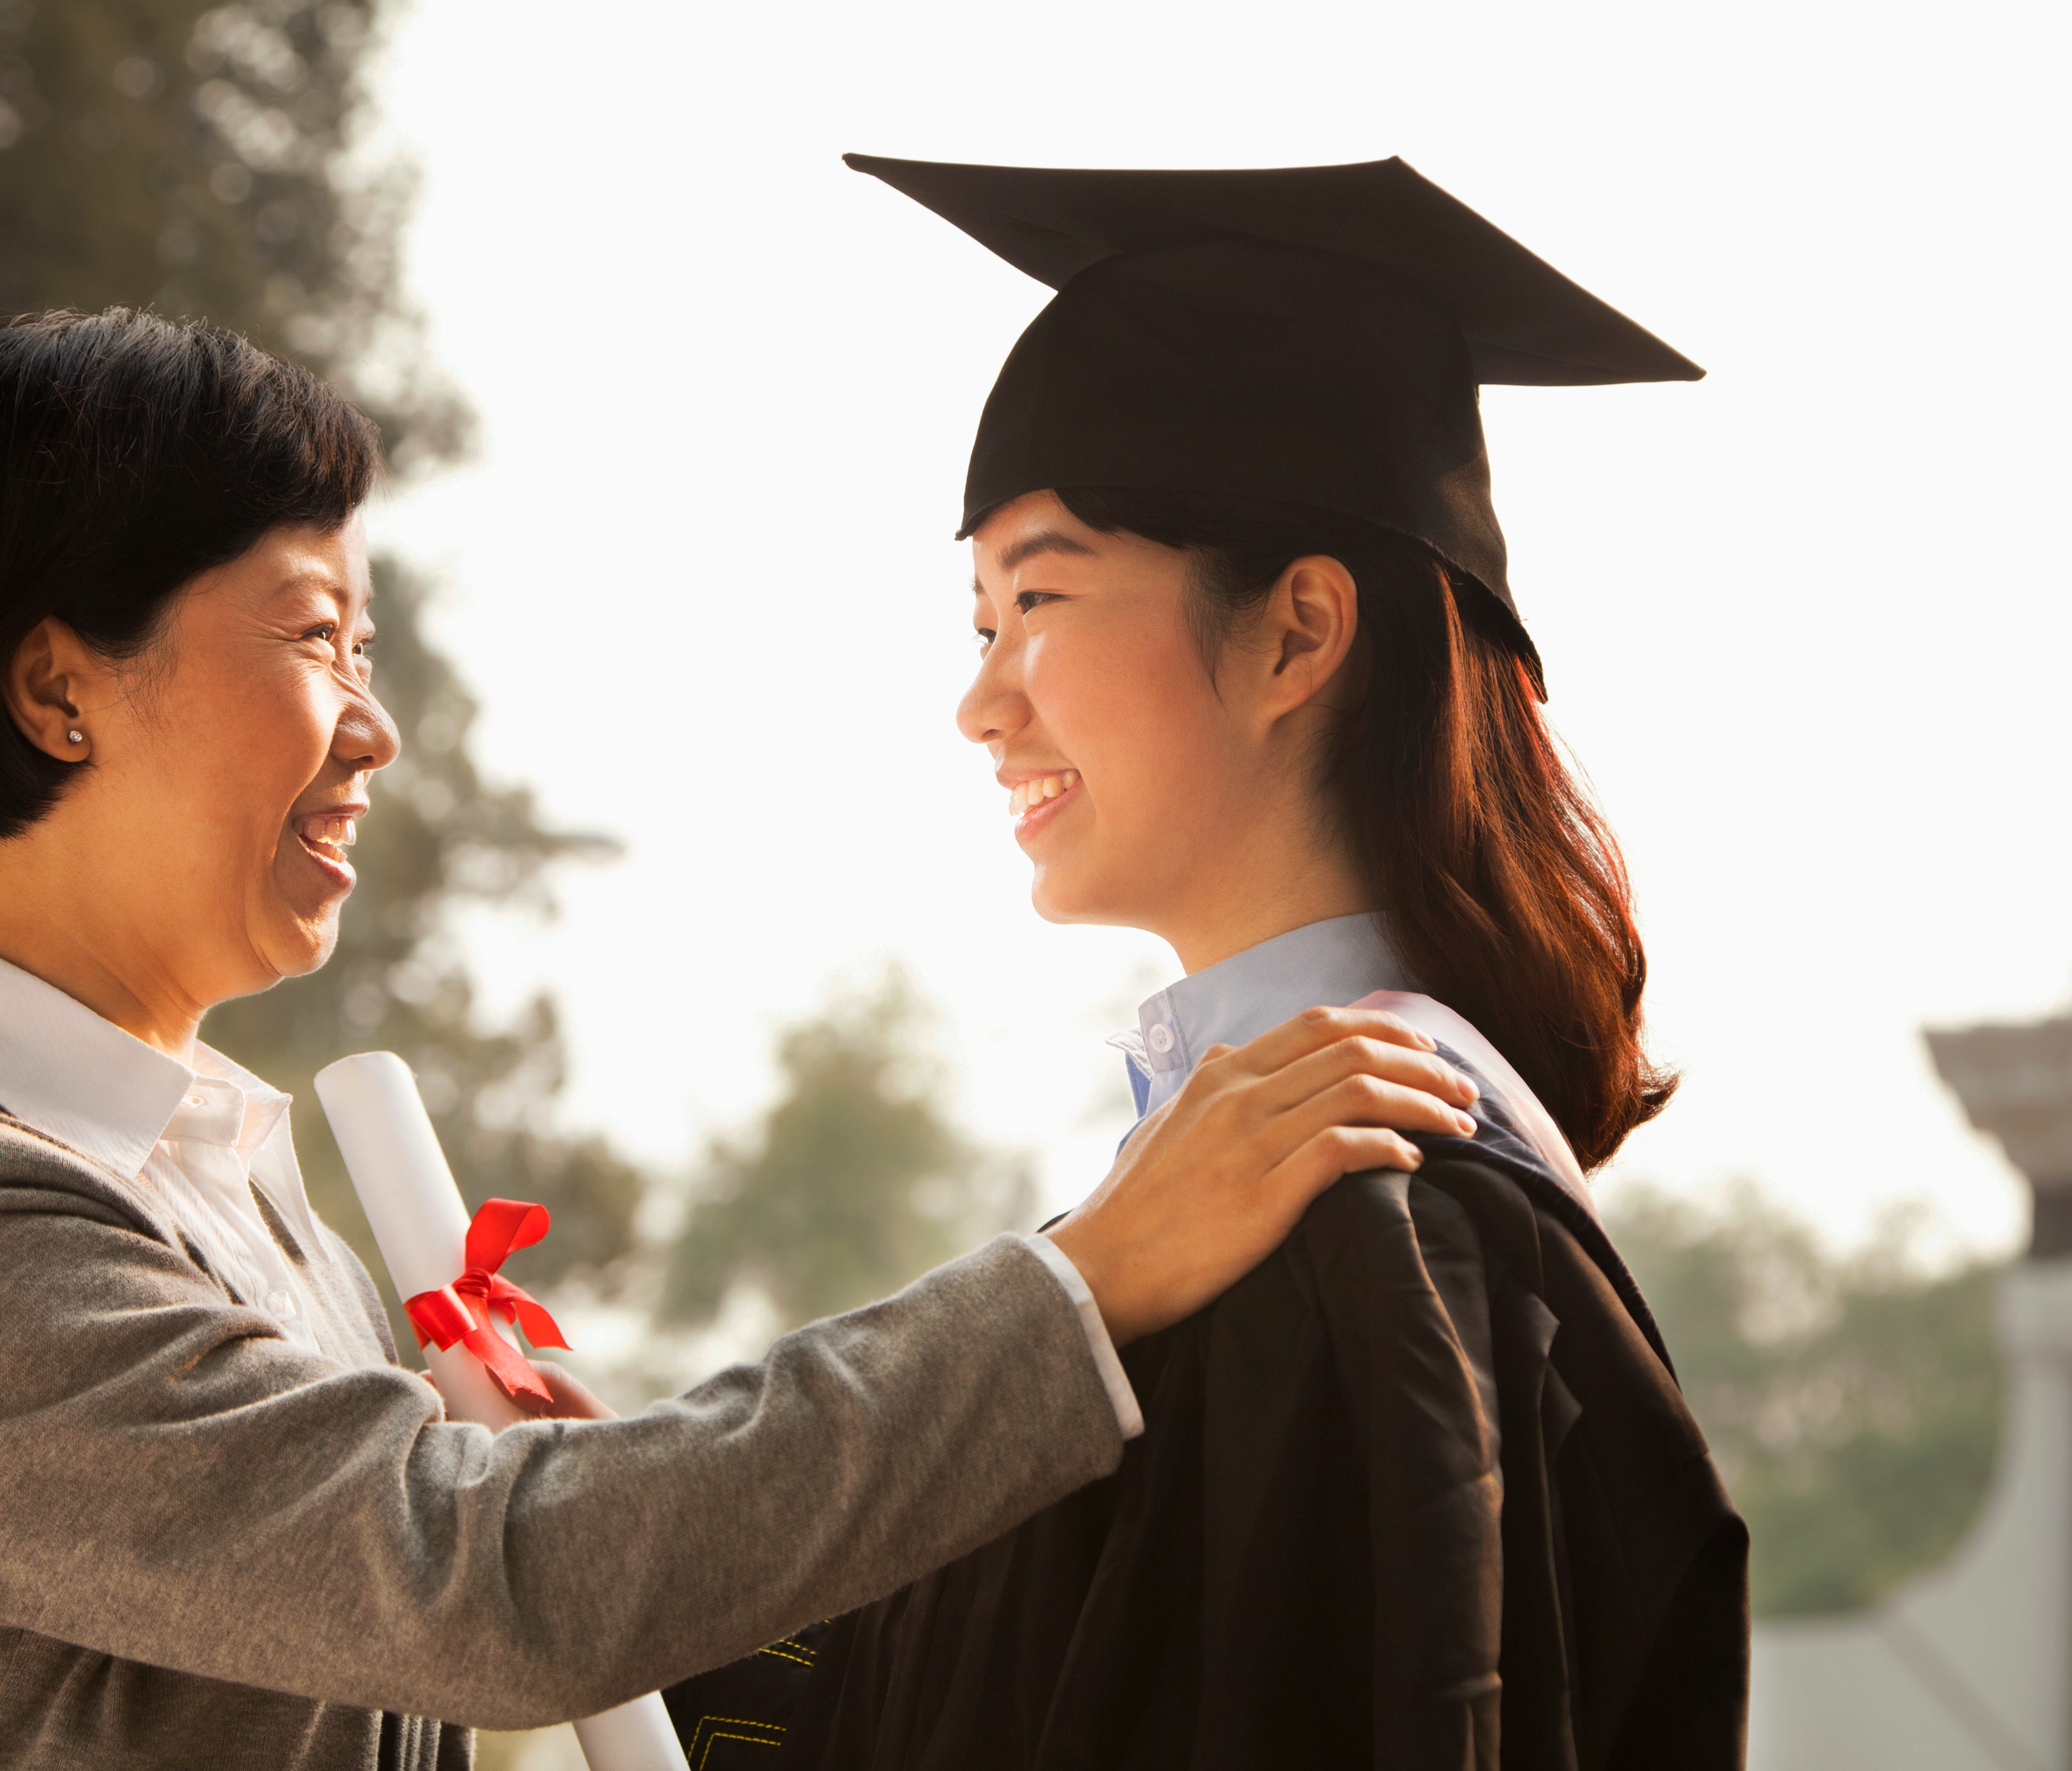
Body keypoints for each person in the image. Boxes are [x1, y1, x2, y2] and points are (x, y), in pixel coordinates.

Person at [0, 308, 1486, 1770]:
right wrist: (1075, 1288)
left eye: (367, 646)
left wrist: (588, 1485)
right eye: (314, 635)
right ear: (61, 688)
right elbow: (469, 1582)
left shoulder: (235, 1181)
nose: (373, 726)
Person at [663, 156, 1750, 1768]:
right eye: (976, 624)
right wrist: (651, 1533)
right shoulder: (1245, 1193)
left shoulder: (1374, 1214)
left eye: (1038, 594)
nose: (982, 700)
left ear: (1297, 633)